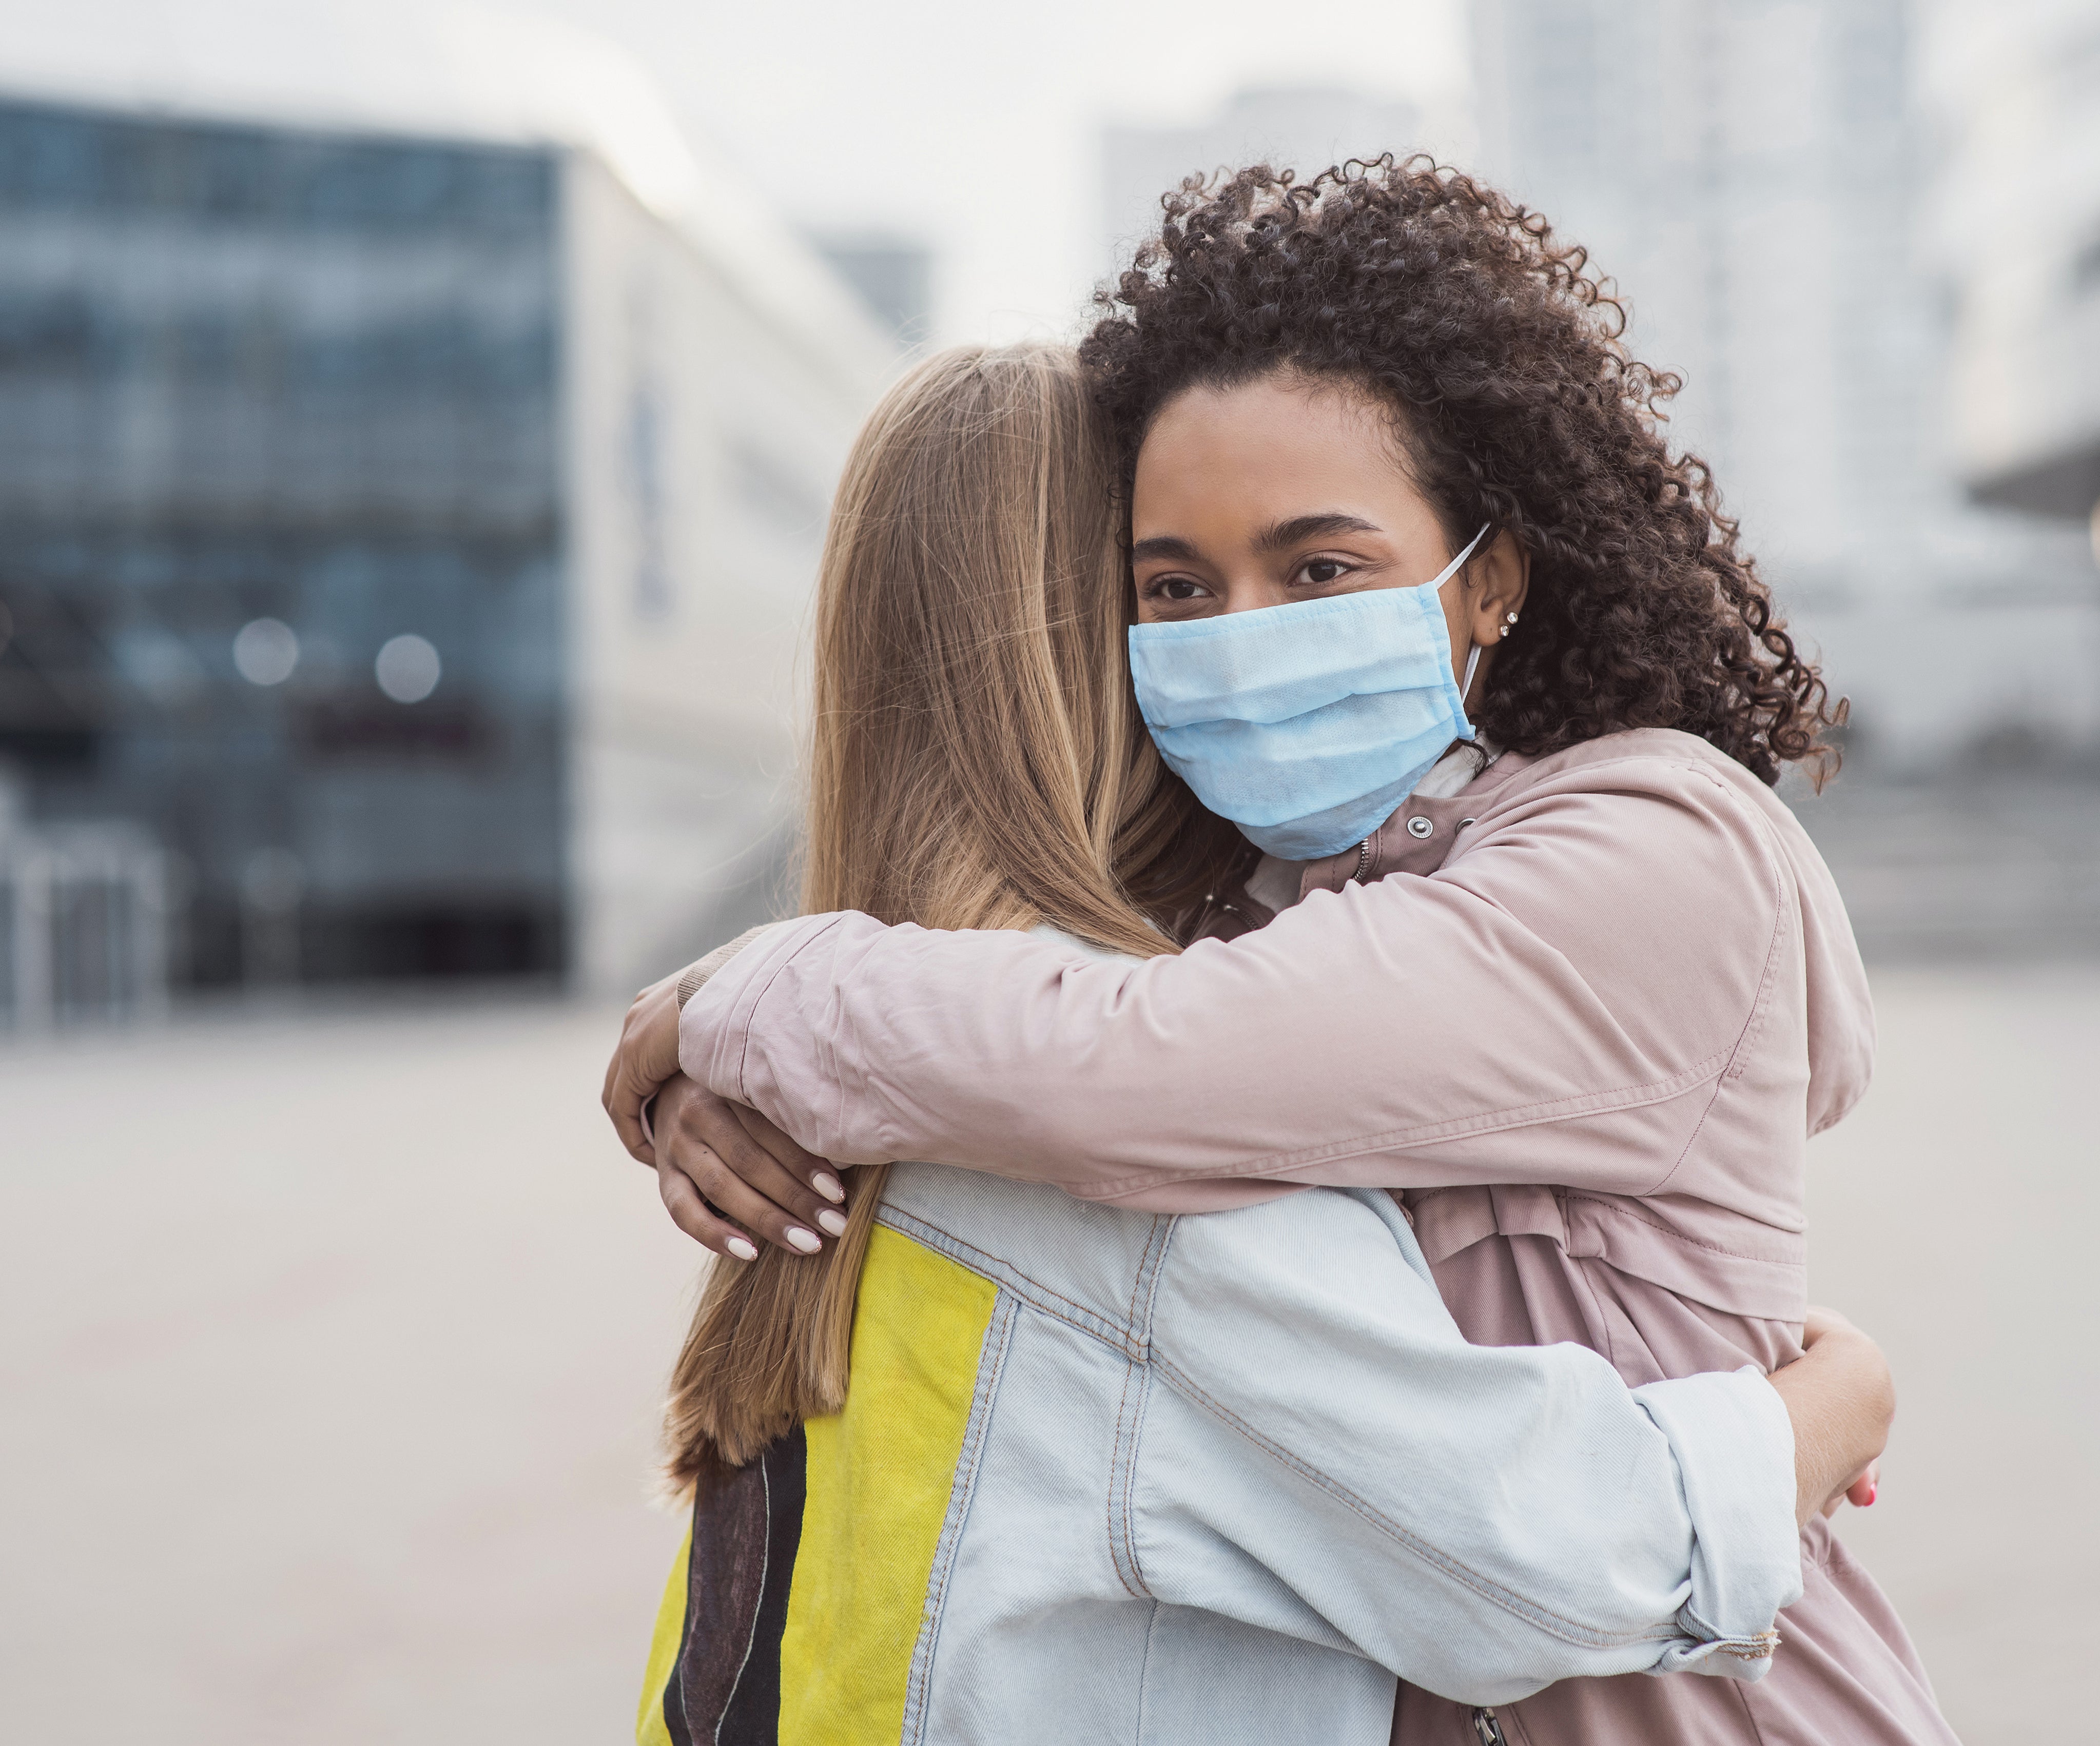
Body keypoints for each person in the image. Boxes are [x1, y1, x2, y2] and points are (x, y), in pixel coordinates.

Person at [611, 162, 1954, 1746]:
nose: (1240, 644)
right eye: (1172, 592)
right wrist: (716, 1040)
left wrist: (740, 999)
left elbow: (1127, 1070)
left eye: (1320, 570)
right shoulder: (1251, 920)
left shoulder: (1645, 848)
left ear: (1494, 576)